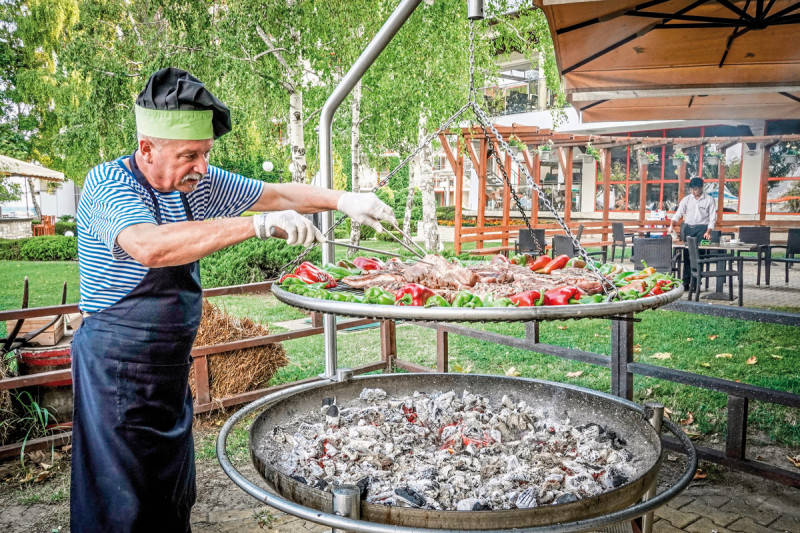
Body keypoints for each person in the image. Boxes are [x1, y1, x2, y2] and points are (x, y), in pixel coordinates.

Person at [70, 67, 396, 532]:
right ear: (147, 148)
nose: (202, 167)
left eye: (205, 153)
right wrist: (255, 225)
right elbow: (149, 247)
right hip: (113, 371)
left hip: (168, 370)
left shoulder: (196, 182)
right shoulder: (109, 183)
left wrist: (344, 200)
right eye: (189, 154)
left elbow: (276, 193)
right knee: (119, 503)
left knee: (169, 495)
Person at [667, 177, 717, 288]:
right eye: (691, 190)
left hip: (703, 230)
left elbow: (712, 218)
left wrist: (708, 231)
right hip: (688, 229)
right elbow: (678, 214)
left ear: (701, 188)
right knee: (687, 255)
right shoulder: (686, 199)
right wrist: (671, 225)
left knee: (699, 256)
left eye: (695, 189)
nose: (693, 192)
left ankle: (696, 283)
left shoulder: (709, 200)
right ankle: (685, 282)